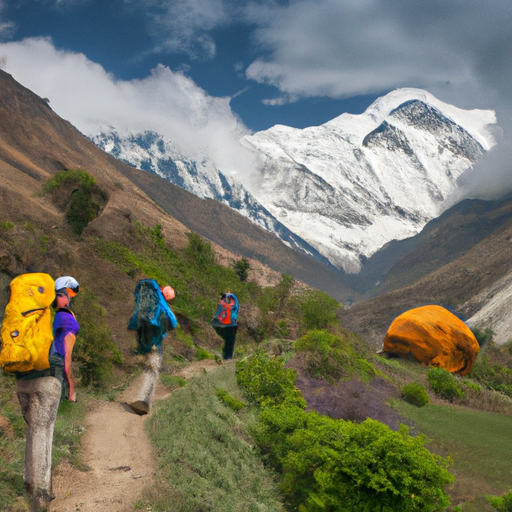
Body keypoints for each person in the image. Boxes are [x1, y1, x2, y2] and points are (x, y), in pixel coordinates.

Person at [126, 279, 177, 415]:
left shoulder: (145, 300)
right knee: (153, 369)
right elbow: (173, 322)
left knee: (147, 366)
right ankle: (143, 401)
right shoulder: (161, 304)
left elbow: (134, 321)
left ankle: (139, 398)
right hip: (155, 343)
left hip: (143, 341)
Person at [49, 276, 80, 402]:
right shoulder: (65, 319)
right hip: (58, 360)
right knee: (54, 401)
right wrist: (72, 391)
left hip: (52, 359)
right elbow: (66, 357)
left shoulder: (58, 315)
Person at [212, 292, 239, 360]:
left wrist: (224, 295)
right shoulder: (233, 304)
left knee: (227, 340)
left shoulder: (222, 304)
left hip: (223, 325)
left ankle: (226, 355)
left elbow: (218, 311)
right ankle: (229, 356)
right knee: (231, 341)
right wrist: (232, 295)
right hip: (232, 324)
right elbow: (237, 305)